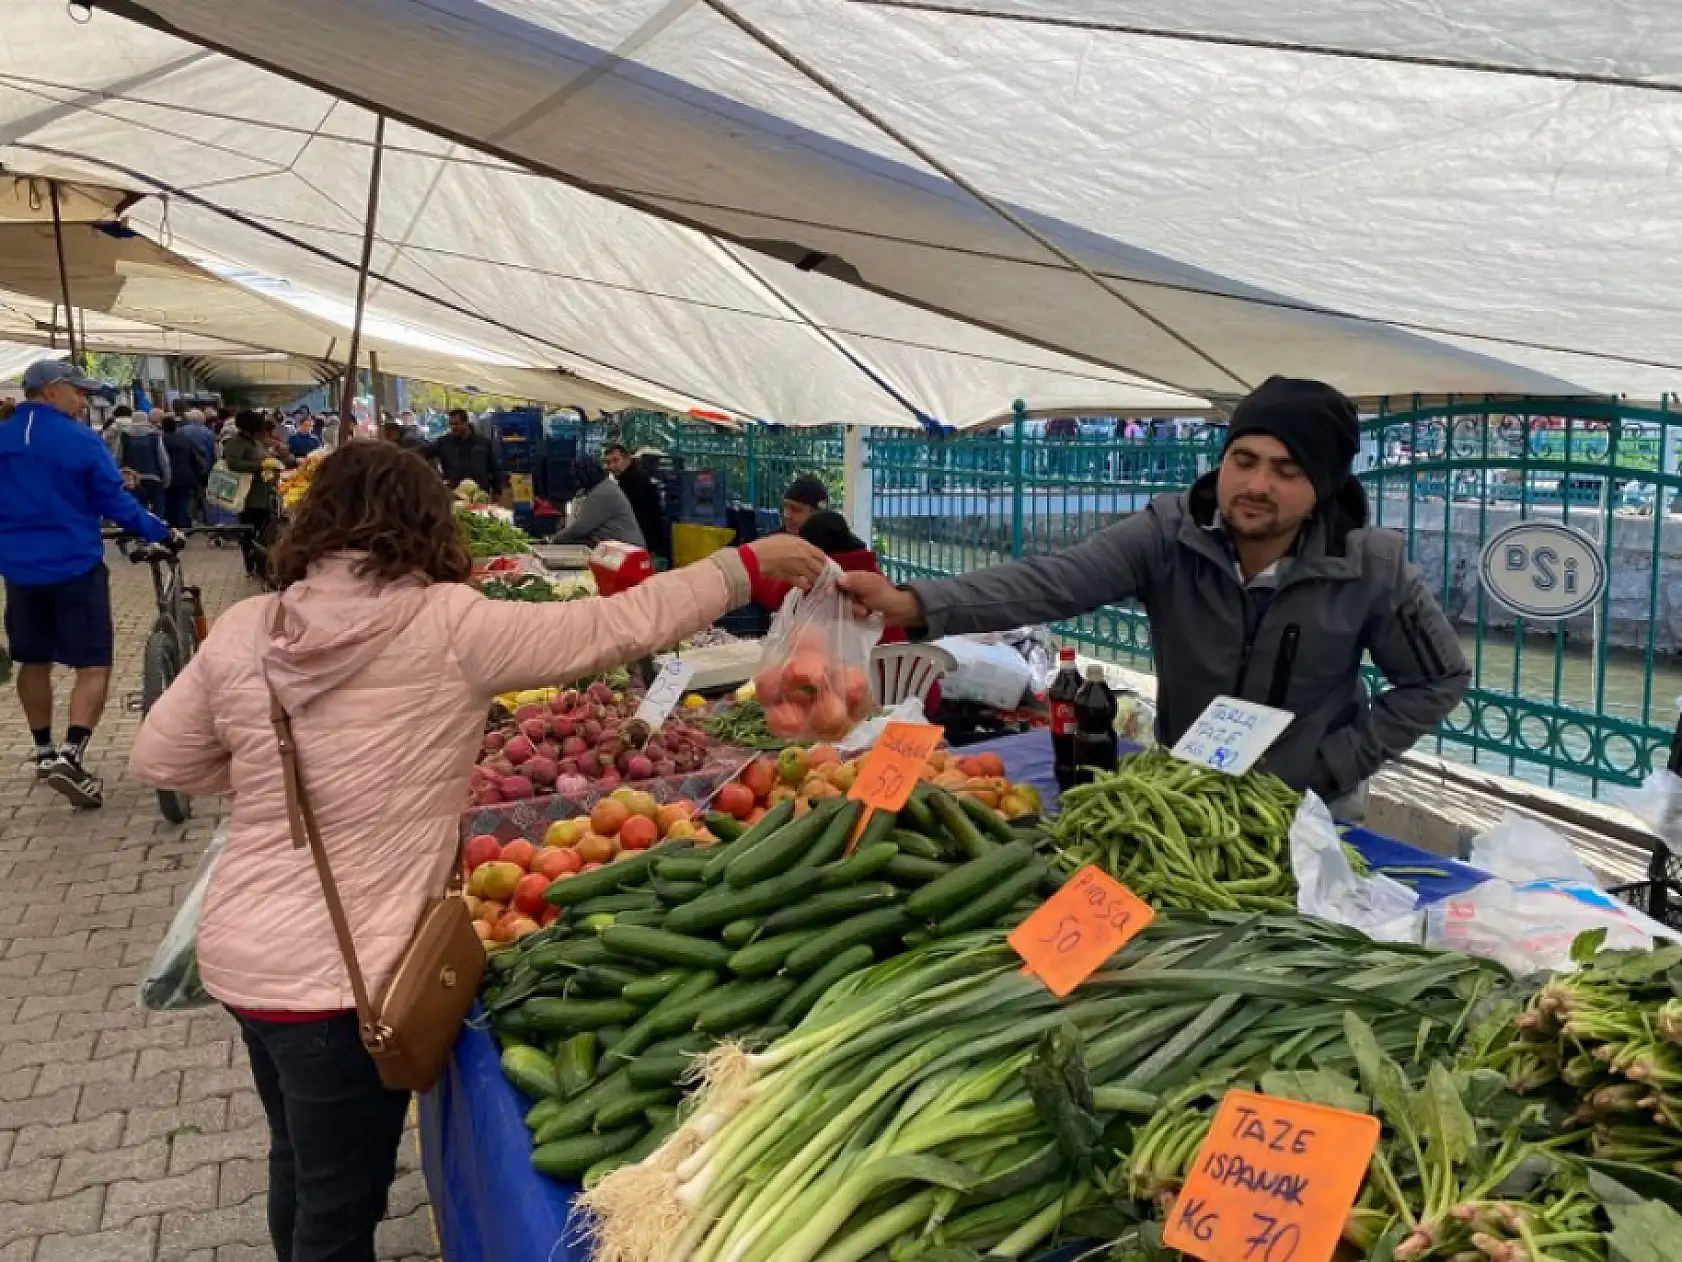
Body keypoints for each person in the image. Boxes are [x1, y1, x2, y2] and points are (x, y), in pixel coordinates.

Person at [125, 441, 824, 1262]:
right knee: (340, 1205)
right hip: (349, 981)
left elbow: (160, 757)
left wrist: (269, 779)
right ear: (429, 526)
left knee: (299, 1158)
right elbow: (610, 624)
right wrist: (741, 570)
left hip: (244, 957)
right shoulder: (449, 625)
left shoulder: (250, 625)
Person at [839, 377, 1470, 817]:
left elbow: (1438, 680)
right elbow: (1054, 582)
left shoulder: (1371, 566)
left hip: (1312, 804)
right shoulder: (1170, 535)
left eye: (1288, 470)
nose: (1256, 484)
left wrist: (1335, 762)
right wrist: (912, 603)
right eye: (1243, 459)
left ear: (1324, 486)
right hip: (1184, 790)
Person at [0, 360, 174, 808]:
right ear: (52, 390)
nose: (83, 401)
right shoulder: (80, 440)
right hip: (74, 566)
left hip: (18, 573)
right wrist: (159, 531)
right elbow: (113, 501)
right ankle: (72, 755)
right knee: (93, 666)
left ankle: (42, 750)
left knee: (32, 662)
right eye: (78, 392)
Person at [223, 410, 279, 579]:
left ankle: (261, 563)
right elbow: (233, 463)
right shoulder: (236, 443)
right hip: (248, 495)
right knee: (249, 530)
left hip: (263, 494)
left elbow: (265, 457)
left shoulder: (255, 442)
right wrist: (260, 465)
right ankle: (251, 565)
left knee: (264, 530)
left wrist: (273, 460)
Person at [557, 456, 645, 547]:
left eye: (577, 477)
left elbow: (580, 528)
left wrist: (553, 539)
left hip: (628, 551)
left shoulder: (601, 493)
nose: (576, 482)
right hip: (622, 548)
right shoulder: (604, 487)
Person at [604, 442, 667, 560]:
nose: (611, 466)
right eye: (608, 462)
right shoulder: (626, 478)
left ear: (627, 459)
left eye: (615, 460)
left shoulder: (635, 479)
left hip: (644, 542)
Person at [424, 408, 501, 495]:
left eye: (456, 424)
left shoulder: (483, 442)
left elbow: (494, 467)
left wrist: (497, 489)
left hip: (480, 494)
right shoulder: (443, 442)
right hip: (454, 494)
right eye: (451, 424)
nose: (453, 427)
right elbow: (423, 453)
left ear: (466, 423)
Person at [115, 408, 172, 516]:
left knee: (135, 507)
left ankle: (136, 530)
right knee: (157, 508)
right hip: (153, 477)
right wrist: (166, 478)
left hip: (131, 478)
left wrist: (118, 476)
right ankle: (155, 529)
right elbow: (163, 459)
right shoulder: (155, 436)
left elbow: (118, 457)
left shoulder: (125, 436)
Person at [158, 414, 204, 530]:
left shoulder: (161, 440)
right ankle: (183, 524)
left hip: (167, 475)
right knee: (183, 501)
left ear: (163, 427)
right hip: (186, 475)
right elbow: (195, 457)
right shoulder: (185, 440)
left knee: (168, 500)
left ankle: (170, 523)